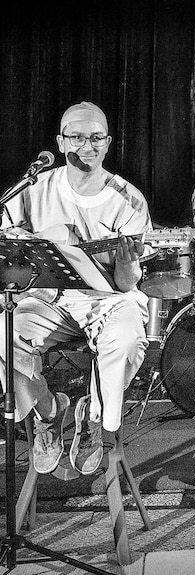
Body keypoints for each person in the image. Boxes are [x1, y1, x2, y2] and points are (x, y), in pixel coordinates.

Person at [0, 101, 152, 476]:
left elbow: (126, 283)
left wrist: (128, 262)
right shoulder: (35, 188)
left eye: (97, 137)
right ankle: (48, 411)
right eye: (78, 137)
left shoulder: (128, 200)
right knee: (2, 337)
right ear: (59, 140)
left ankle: (92, 416)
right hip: (47, 298)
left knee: (129, 337)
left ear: (108, 141)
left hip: (106, 299)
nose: (88, 146)